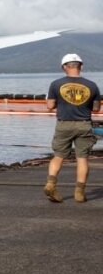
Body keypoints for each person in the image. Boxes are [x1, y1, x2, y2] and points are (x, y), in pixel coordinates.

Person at [44, 54, 101, 203]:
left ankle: (51, 184)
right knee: (82, 158)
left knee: (58, 156)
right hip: (83, 124)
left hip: (64, 124)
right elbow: (96, 109)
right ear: (80, 66)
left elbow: (50, 106)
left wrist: (61, 103)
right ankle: (79, 193)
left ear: (64, 67)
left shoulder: (56, 84)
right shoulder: (92, 85)